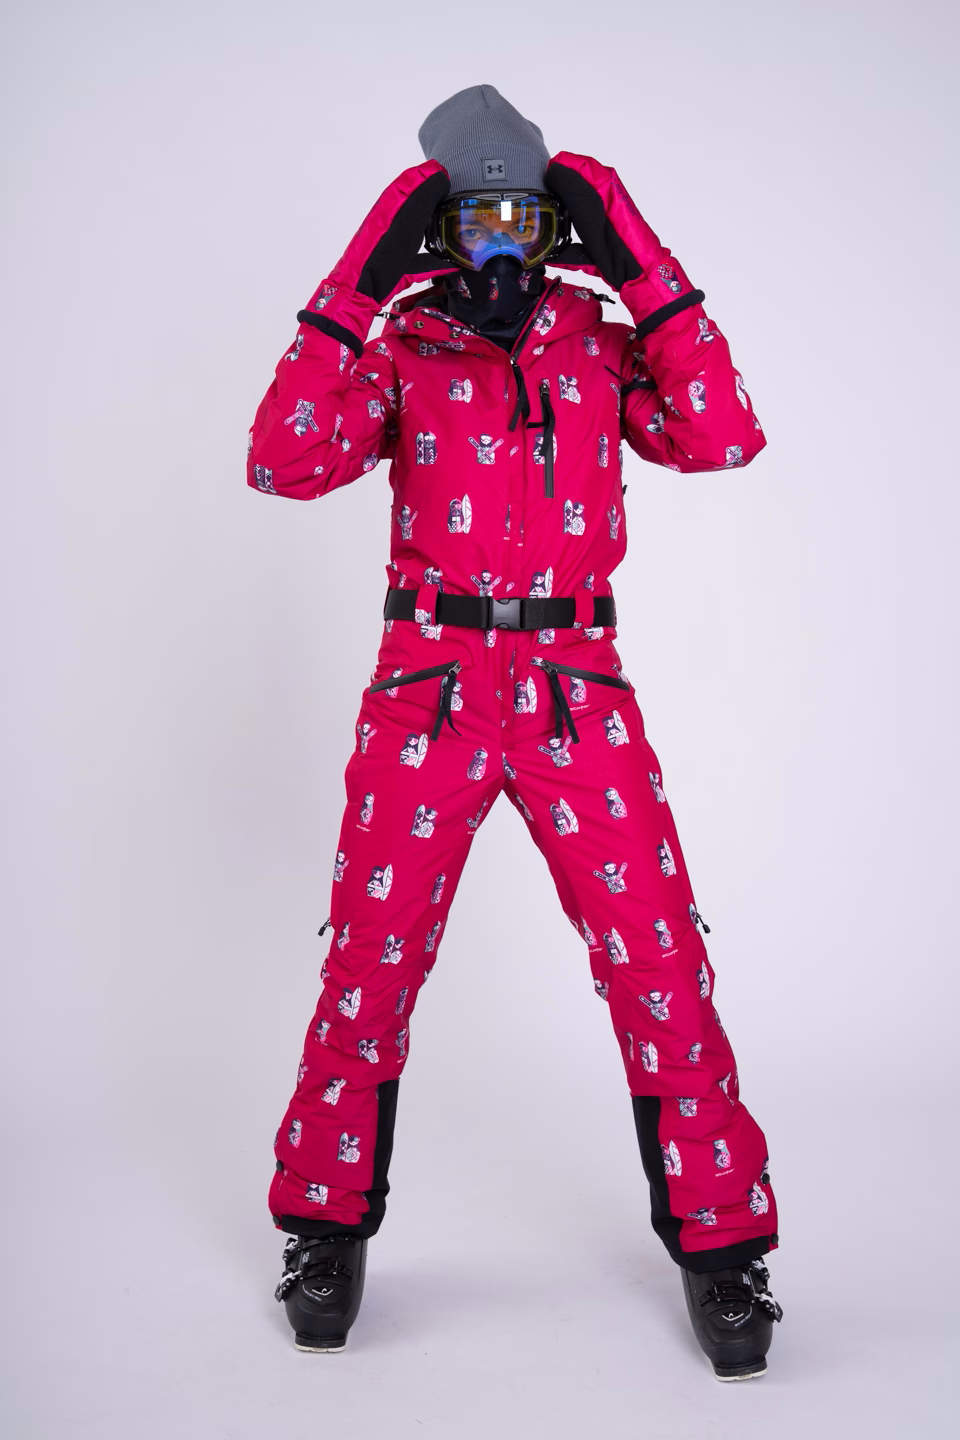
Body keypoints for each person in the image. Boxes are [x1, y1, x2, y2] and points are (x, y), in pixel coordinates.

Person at [248, 84, 783, 1381]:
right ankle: (323, 1231)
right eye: (473, 219)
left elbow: (723, 436)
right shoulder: (407, 347)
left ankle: (724, 1248)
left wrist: (635, 250)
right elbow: (283, 457)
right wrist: (363, 273)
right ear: (437, 232)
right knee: (368, 965)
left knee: (660, 961)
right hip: (427, 685)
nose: (501, 245)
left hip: (569, 683)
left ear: (558, 231)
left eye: (526, 220)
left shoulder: (599, 344)